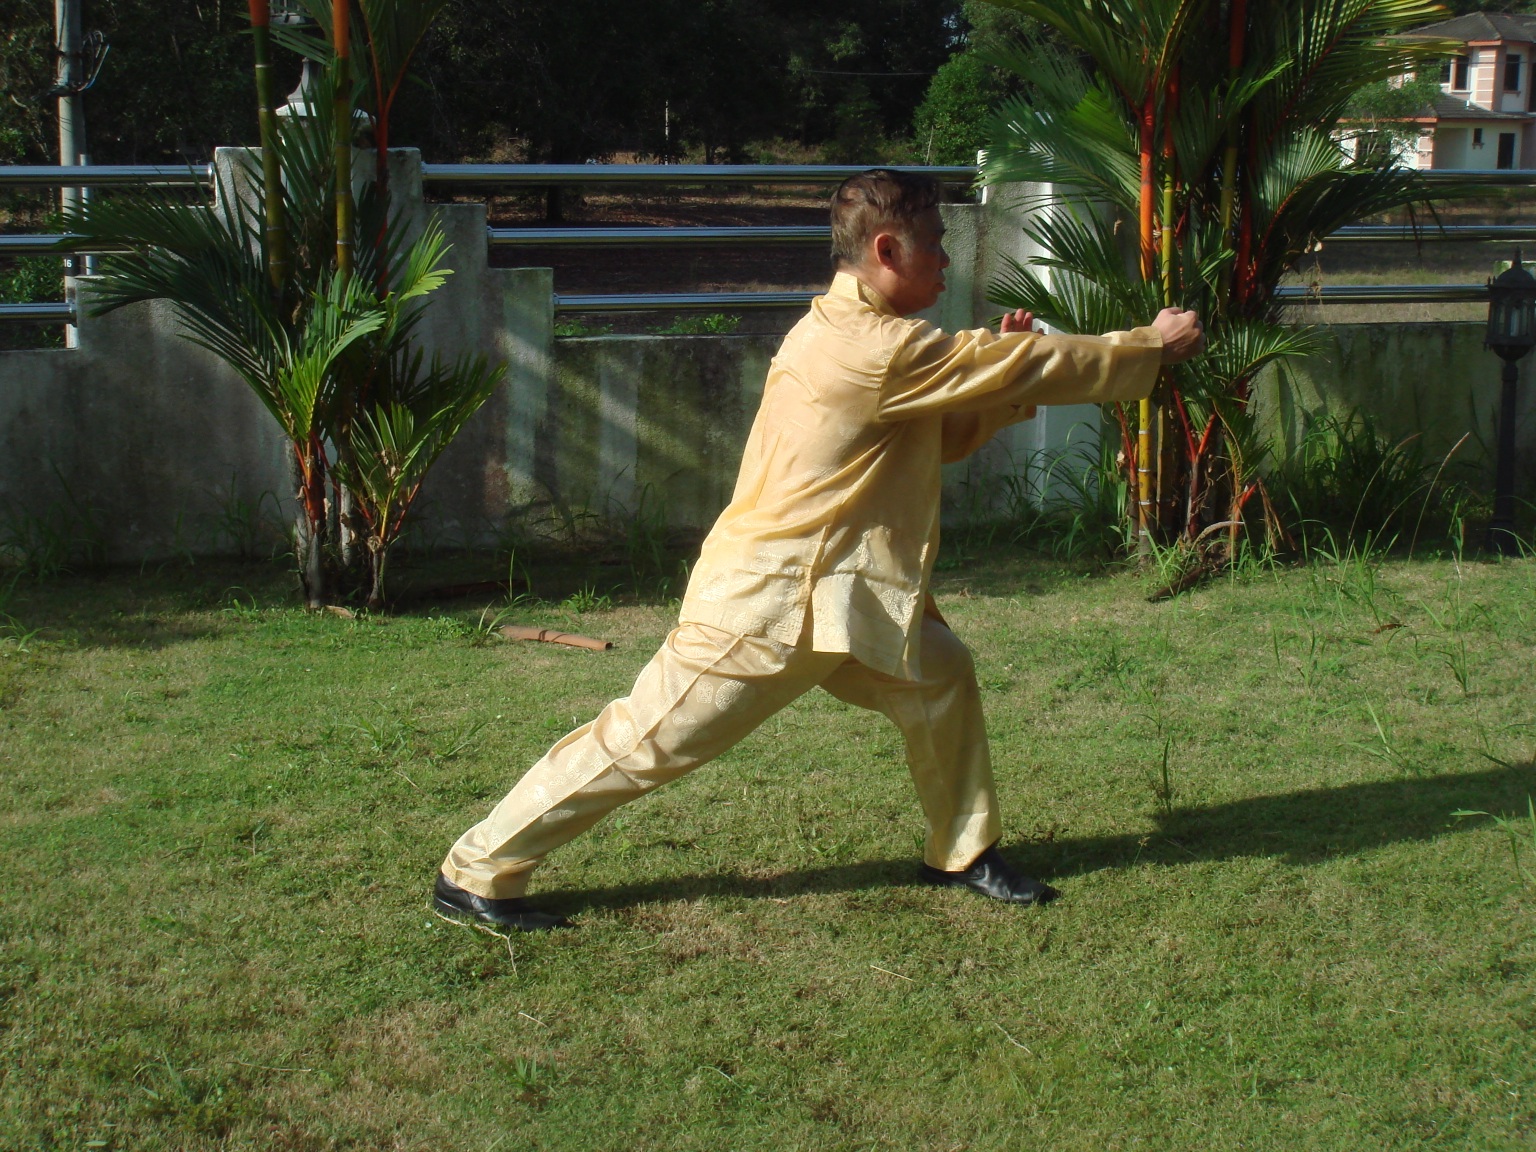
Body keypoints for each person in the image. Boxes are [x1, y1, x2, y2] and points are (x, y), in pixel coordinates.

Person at [433, 169, 1205, 931]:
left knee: (940, 673)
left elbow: (934, 437)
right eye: (935, 244)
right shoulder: (875, 347)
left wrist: (996, 382)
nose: (947, 260)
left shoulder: (843, 332)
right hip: (768, 603)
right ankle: (476, 870)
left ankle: (962, 852)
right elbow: (1027, 364)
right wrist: (1149, 345)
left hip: (839, 595)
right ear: (887, 250)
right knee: (643, 742)